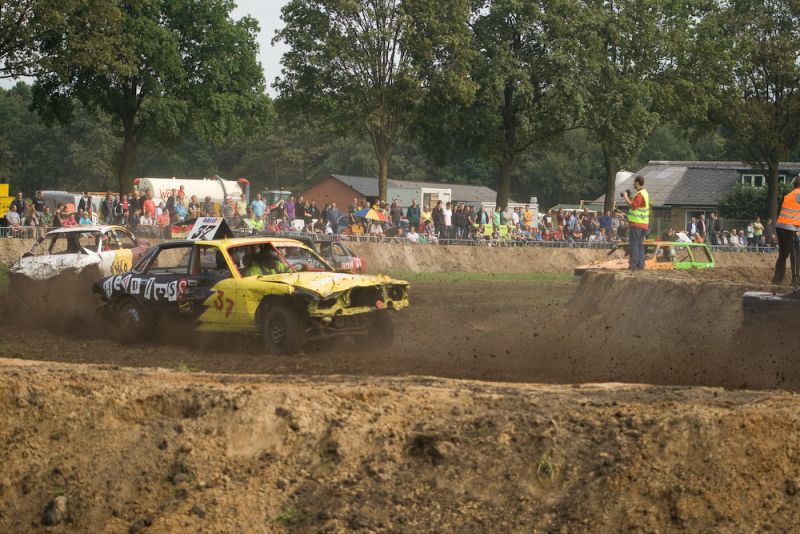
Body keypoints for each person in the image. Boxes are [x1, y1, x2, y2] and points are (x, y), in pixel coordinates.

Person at [773, 175, 800, 286]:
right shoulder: (799, 194)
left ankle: (777, 280)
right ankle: (796, 281)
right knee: (796, 253)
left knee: (783, 255)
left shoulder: (789, 195)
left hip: (780, 226)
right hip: (789, 228)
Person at [623, 175, 649, 270]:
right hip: (644, 224)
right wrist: (630, 198)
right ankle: (641, 265)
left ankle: (633, 265)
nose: (633, 184)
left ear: (637, 182)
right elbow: (639, 205)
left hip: (636, 224)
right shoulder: (645, 193)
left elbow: (633, 206)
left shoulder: (639, 194)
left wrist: (626, 198)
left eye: (634, 182)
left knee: (634, 244)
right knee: (640, 244)